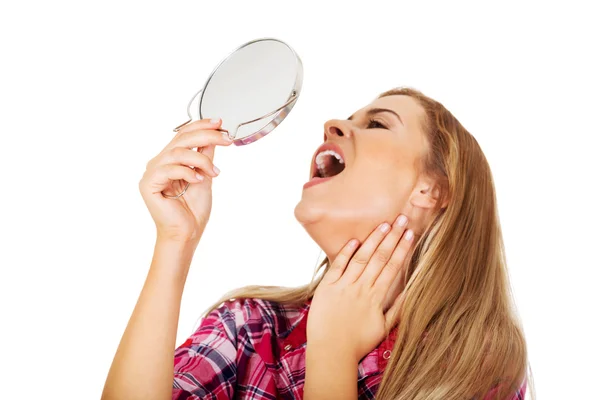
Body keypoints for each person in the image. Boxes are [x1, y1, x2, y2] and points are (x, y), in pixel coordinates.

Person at [101, 87, 533, 400]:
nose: (334, 124)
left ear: (433, 190)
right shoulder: (251, 328)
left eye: (378, 123)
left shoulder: (479, 365)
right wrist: (176, 241)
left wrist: (333, 350)